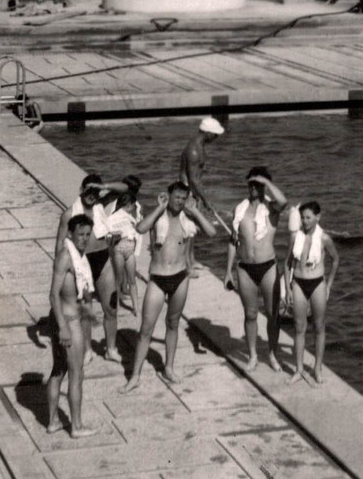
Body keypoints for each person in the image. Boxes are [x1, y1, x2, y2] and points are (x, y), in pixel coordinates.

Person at [121, 180, 217, 391]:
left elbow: (211, 232)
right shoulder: (159, 218)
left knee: (173, 324)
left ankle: (169, 367)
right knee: (146, 328)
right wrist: (159, 207)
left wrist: (195, 211)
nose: (180, 202)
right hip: (158, 278)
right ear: (168, 196)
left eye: (184, 198)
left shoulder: (187, 218)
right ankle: (134, 376)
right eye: (177, 198)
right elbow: (140, 228)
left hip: (180, 277)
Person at [227, 167, 297, 371]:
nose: (253, 187)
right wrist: (227, 271)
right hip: (244, 268)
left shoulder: (271, 209)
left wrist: (265, 182)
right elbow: (233, 241)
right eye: (251, 183)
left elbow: (284, 202)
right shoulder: (239, 209)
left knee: (273, 314)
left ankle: (273, 355)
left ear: (265, 186)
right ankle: (252, 355)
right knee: (250, 314)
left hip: (268, 267)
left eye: (257, 184)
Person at [46, 215, 98, 438]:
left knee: (58, 371)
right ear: (70, 234)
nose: (85, 239)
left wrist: (87, 308)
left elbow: (77, 290)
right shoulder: (66, 256)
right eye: (81, 235)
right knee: (77, 375)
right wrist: (63, 327)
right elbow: (53, 295)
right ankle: (76, 426)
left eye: (88, 235)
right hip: (67, 321)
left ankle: (53, 422)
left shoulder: (79, 256)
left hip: (71, 318)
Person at [56, 174, 116, 358]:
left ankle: (111, 349)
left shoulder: (100, 205)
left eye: (95, 192)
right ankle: (88, 349)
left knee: (111, 308)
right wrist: (61, 271)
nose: (92, 195)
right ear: (81, 190)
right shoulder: (69, 214)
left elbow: (126, 188)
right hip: (82, 263)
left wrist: (102, 185)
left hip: (103, 260)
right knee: (86, 309)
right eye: (88, 191)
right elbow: (59, 245)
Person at [287, 200, 338, 386]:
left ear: (318, 217)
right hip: (298, 283)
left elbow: (336, 259)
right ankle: (299, 369)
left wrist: (329, 285)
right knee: (299, 328)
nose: (305, 221)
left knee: (319, 327)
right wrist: (288, 287)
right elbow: (287, 263)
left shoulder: (324, 238)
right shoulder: (295, 237)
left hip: (317, 283)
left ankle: (317, 368)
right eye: (302, 218)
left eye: (308, 217)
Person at [102, 183, 143, 312]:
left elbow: (137, 233)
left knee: (131, 280)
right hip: (119, 250)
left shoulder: (131, 218)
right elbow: (106, 235)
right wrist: (113, 235)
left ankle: (135, 307)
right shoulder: (113, 217)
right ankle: (115, 304)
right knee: (119, 279)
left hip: (129, 250)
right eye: (133, 206)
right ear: (129, 205)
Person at [181, 117, 227, 227]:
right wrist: (205, 200)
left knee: (198, 228)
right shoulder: (194, 150)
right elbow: (193, 179)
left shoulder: (199, 146)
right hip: (188, 193)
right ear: (208, 133)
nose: (216, 137)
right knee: (192, 228)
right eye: (215, 134)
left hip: (194, 193)